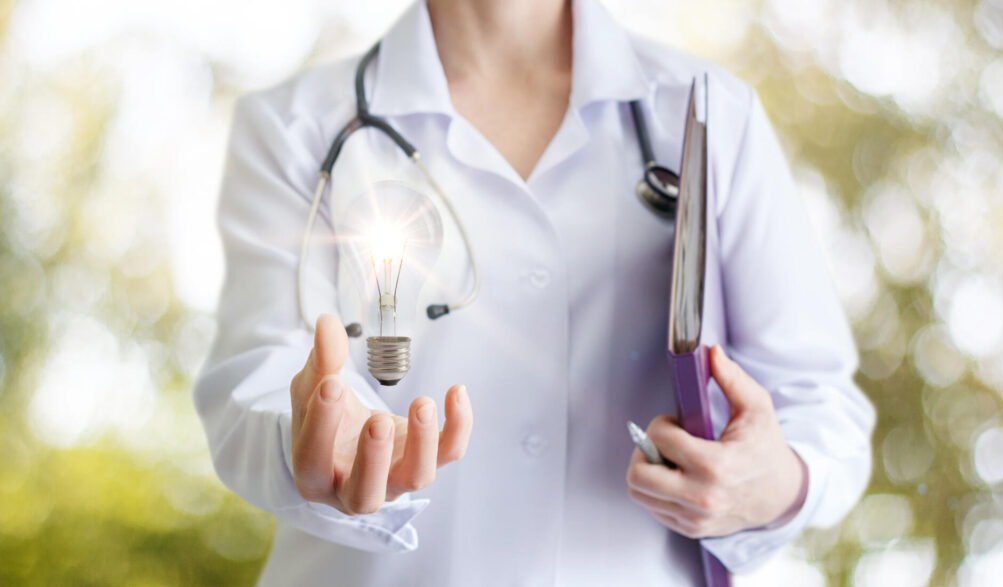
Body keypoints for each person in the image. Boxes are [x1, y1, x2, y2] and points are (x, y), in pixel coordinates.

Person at [193, 0, 876, 584]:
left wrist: (776, 481)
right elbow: (255, 376)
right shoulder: (293, 127)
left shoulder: (708, 112)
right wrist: (306, 439)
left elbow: (818, 402)